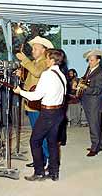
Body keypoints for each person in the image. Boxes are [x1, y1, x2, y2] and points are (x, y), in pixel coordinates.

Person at [14, 49, 67, 181]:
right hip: (59, 113)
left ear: (52, 60)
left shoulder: (47, 74)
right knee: (52, 142)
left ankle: (39, 172)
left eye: (47, 58)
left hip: (47, 113)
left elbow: (36, 96)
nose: (46, 60)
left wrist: (20, 92)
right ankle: (54, 173)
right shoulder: (61, 75)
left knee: (35, 141)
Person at [15, 36, 54, 167]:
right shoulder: (35, 62)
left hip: (38, 105)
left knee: (40, 135)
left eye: (35, 48)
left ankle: (48, 160)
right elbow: (31, 79)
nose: (32, 51)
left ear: (44, 50)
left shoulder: (43, 62)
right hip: (31, 103)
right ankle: (40, 159)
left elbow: (37, 73)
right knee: (37, 134)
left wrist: (24, 60)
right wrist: (22, 75)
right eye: (32, 48)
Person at [79, 49, 102, 157]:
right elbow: (86, 79)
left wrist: (85, 87)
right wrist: (80, 82)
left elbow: (97, 90)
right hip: (89, 102)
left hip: (94, 104)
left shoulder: (100, 74)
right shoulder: (90, 69)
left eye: (91, 60)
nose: (89, 62)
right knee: (95, 125)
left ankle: (94, 148)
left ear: (98, 61)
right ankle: (99, 145)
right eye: (88, 60)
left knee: (94, 126)